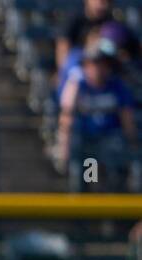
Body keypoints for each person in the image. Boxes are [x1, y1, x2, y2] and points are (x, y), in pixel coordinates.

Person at [58, 39, 137, 192]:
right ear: (86, 65)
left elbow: (127, 118)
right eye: (94, 63)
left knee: (115, 177)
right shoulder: (78, 85)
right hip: (88, 145)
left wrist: (132, 142)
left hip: (110, 142)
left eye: (103, 63)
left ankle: (115, 211)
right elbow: (67, 116)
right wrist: (64, 147)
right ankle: (88, 212)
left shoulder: (116, 86)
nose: (98, 68)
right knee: (89, 180)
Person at [58, 0, 139, 71]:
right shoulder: (74, 19)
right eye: (99, 0)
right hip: (80, 69)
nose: (102, 4)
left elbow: (129, 51)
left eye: (107, 1)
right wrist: (64, 73)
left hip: (108, 74)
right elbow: (63, 48)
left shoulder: (114, 23)